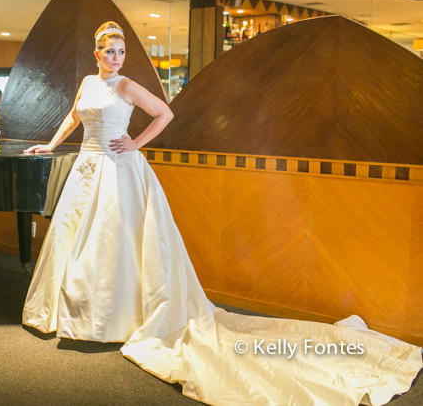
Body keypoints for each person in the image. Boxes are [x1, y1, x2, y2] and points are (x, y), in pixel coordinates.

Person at [22, 21, 422, 406]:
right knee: (75, 239)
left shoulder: (126, 85)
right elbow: (75, 116)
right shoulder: (89, 83)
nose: (116, 57)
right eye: (110, 51)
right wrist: (50, 144)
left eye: (121, 52)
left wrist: (136, 144)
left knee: (113, 242)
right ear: (96, 54)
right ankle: (73, 312)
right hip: (87, 167)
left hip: (119, 169)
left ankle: (114, 316)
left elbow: (165, 114)